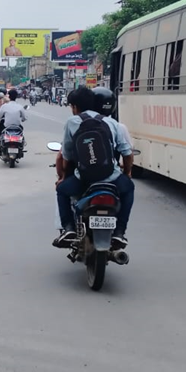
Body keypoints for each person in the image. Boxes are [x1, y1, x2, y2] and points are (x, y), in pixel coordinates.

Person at [54, 86, 134, 250]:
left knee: (62, 190)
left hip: (83, 178)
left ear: (75, 107)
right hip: (111, 177)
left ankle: (68, 229)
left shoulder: (72, 122)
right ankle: (119, 232)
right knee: (129, 189)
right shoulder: (112, 123)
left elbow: (67, 155)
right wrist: (127, 173)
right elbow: (127, 152)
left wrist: (62, 176)